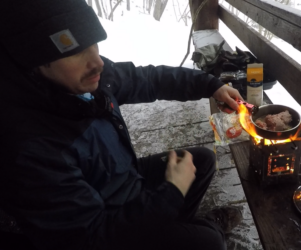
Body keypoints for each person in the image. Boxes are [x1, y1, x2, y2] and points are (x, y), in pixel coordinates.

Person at [0, 0, 244, 250]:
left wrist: (210, 85)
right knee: (210, 243)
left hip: (120, 177)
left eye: (93, 44)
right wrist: (171, 192)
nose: (98, 62)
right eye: (74, 52)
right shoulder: (27, 148)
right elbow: (94, 239)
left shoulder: (83, 77)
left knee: (201, 160)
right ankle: (199, 229)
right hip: (105, 224)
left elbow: (148, 79)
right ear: (34, 62)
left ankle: (170, 228)